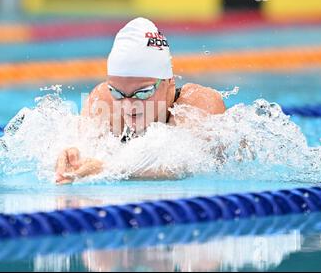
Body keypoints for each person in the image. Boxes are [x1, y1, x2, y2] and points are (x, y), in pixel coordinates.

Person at [55, 17, 225, 184]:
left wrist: (107, 168)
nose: (129, 105)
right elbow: (84, 152)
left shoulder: (199, 103)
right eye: (118, 92)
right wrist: (71, 157)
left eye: (142, 93)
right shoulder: (104, 100)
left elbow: (179, 164)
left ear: (169, 80)